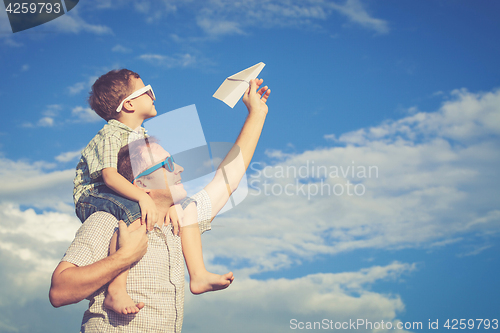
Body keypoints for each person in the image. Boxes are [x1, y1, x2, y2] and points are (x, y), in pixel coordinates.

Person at [49, 78, 271, 332]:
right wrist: (124, 257)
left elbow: (229, 177)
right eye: (167, 164)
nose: (180, 168)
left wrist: (257, 112)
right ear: (139, 183)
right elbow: (59, 291)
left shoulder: (182, 220)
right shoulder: (109, 220)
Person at [72, 69, 234, 315]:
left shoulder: (142, 135)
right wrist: (140, 198)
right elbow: (110, 176)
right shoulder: (111, 133)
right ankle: (116, 290)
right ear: (128, 104)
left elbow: (151, 178)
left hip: (124, 189)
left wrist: (170, 204)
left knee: (185, 207)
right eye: (147, 90)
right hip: (94, 193)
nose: (153, 95)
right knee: (132, 214)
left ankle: (198, 274)